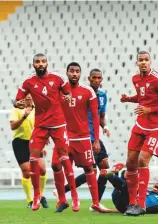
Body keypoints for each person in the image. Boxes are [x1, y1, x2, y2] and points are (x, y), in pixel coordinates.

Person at [14, 53, 77, 211]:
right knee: (33, 158)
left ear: (47, 63)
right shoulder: (28, 81)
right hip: (41, 125)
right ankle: (36, 197)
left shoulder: (58, 78)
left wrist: (68, 98)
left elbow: (68, 92)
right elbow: (17, 100)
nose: (40, 64)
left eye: (43, 61)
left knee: (64, 158)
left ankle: (74, 197)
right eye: (37, 62)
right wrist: (19, 103)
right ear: (33, 64)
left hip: (58, 123)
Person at [120, 51, 158, 216]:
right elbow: (143, 96)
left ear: (150, 62)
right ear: (136, 63)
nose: (143, 63)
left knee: (143, 160)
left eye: (146, 60)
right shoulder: (136, 79)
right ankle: (131, 204)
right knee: (130, 163)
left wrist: (149, 109)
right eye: (140, 60)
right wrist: (129, 99)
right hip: (141, 123)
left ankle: (141, 205)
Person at [52, 62, 102, 212]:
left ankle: (95, 202)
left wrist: (97, 139)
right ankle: (62, 199)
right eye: (71, 71)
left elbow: (95, 115)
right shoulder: (58, 91)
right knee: (55, 165)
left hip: (82, 137)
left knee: (89, 168)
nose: (74, 74)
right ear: (67, 73)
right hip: (63, 136)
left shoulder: (88, 91)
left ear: (80, 74)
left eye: (77, 71)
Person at [61, 68, 111, 209]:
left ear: (101, 79)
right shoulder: (84, 93)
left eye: (98, 78)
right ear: (88, 79)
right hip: (83, 135)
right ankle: (65, 193)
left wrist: (105, 127)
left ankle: (95, 201)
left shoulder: (102, 96)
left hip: (94, 135)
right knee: (92, 169)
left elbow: (100, 116)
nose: (96, 80)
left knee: (104, 166)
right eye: (93, 78)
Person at [10, 94, 48, 208]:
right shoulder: (17, 109)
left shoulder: (38, 109)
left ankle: (41, 197)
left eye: (31, 94)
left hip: (35, 141)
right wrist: (23, 117)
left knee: (42, 169)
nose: (28, 97)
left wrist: (44, 141)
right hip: (20, 142)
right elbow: (12, 126)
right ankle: (30, 200)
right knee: (27, 171)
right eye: (26, 95)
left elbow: (42, 126)